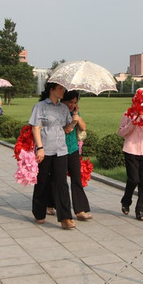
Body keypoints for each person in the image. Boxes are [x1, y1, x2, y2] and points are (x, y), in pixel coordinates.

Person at [30, 82, 76, 229]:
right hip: (46, 149)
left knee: (62, 183)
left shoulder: (63, 108)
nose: (63, 91)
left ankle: (65, 217)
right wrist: (40, 148)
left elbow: (67, 129)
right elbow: (35, 128)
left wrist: (73, 122)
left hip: (61, 150)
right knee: (42, 181)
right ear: (52, 90)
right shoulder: (40, 107)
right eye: (60, 88)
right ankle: (38, 212)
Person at [47, 90, 92, 221]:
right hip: (59, 150)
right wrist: (72, 122)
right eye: (69, 102)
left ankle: (80, 210)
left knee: (76, 179)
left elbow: (83, 128)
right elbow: (65, 130)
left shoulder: (74, 113)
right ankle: (50, 204)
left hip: (72, 149)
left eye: (74, 102)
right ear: (63, 101)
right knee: (57, 179)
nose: (72, 105)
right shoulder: (57, 112)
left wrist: (77, 116)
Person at [118, 103, 143, 221]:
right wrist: (132, 123)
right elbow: (121, 132)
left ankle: (140, 210)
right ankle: (126, 201)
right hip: (130, 150)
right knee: (133, 179)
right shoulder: (127, 114)